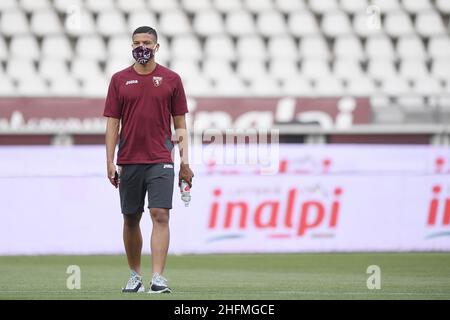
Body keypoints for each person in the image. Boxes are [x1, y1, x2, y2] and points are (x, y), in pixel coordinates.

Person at [103, 26, 194, 294]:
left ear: (157, 46)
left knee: (160, 214)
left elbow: (180, 123)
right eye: (136, 42)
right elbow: (112, 124)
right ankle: (135, 276)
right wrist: (109, 160)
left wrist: (185, 161)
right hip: (129, 159)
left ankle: (158, 278)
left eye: (146, 42)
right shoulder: (119, 80)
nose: (141, 47)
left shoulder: (171, 79)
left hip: (160, 158)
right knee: (131, 217)